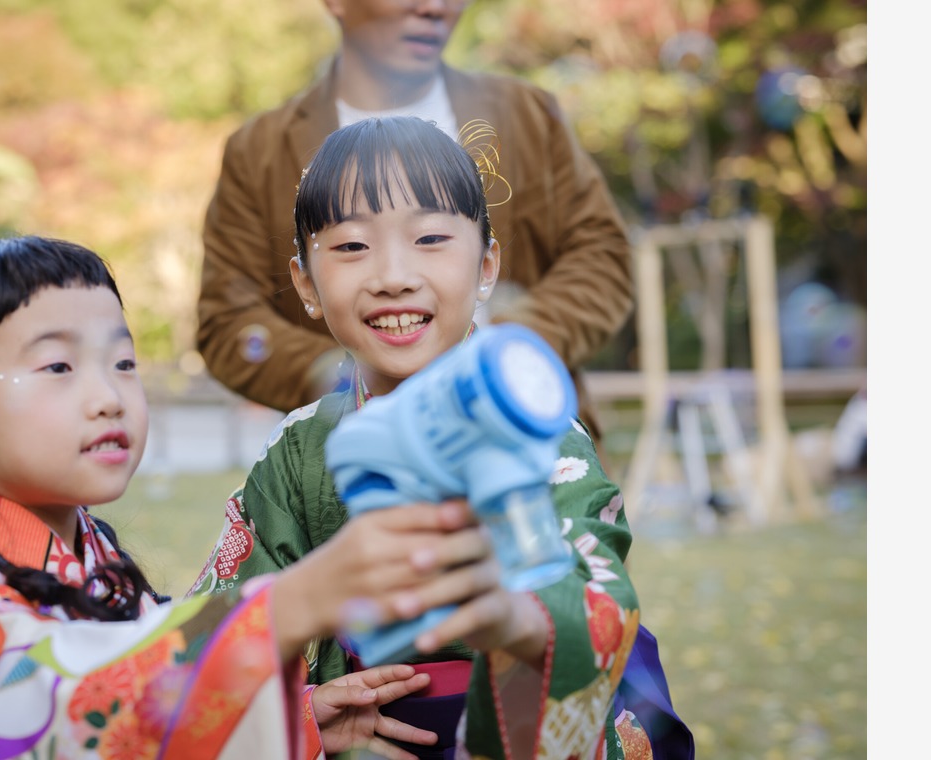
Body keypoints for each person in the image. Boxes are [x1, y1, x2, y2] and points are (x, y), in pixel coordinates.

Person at [0, 235, 513, 759]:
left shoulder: (97, 563)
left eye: (122, 363)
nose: (109, 395)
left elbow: (150, 716)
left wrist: (303, 724)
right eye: (58, 366)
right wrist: (292, 603)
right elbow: (72, 711)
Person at [189, 116, 668, 759]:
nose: (393, 275)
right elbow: (221, 627)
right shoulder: (299, 452)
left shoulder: (541, 437)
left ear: (487, 265)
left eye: (431, 238)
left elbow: (593, 597)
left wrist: (518, 621)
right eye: (352, 247)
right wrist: (302, 716)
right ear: (306, 283)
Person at [196, 0, 633, 456]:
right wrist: (356, 383)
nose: (435, 6)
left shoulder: (528, 114)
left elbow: (602, 255)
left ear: (489, 265)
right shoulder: (259, 151)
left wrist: (503, 353)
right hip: (354, 464)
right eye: (352, 243)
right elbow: (229, 320)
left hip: (528, 443)